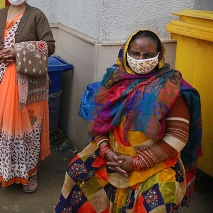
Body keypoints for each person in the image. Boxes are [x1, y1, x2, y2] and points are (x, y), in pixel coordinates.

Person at [56, 29, 202, 212]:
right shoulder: (113, 80)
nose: (140, 59)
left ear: (159, 56)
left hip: (155, 163)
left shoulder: (170, 87)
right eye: (135, 53)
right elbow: (98, 123)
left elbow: (178, 136)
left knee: (157, 204)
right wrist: (106, 151)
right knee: (76, 172)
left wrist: (137, 163)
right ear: (126, 53)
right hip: (111, 157)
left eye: (148, 55)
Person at [0, 0, 55, 193]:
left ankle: (30, 173)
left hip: (30, 83)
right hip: (3, 79)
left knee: (28, 128)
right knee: (6, 127)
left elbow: (49, 45)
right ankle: (8, 171)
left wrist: (17, 51)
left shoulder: (36, 15)